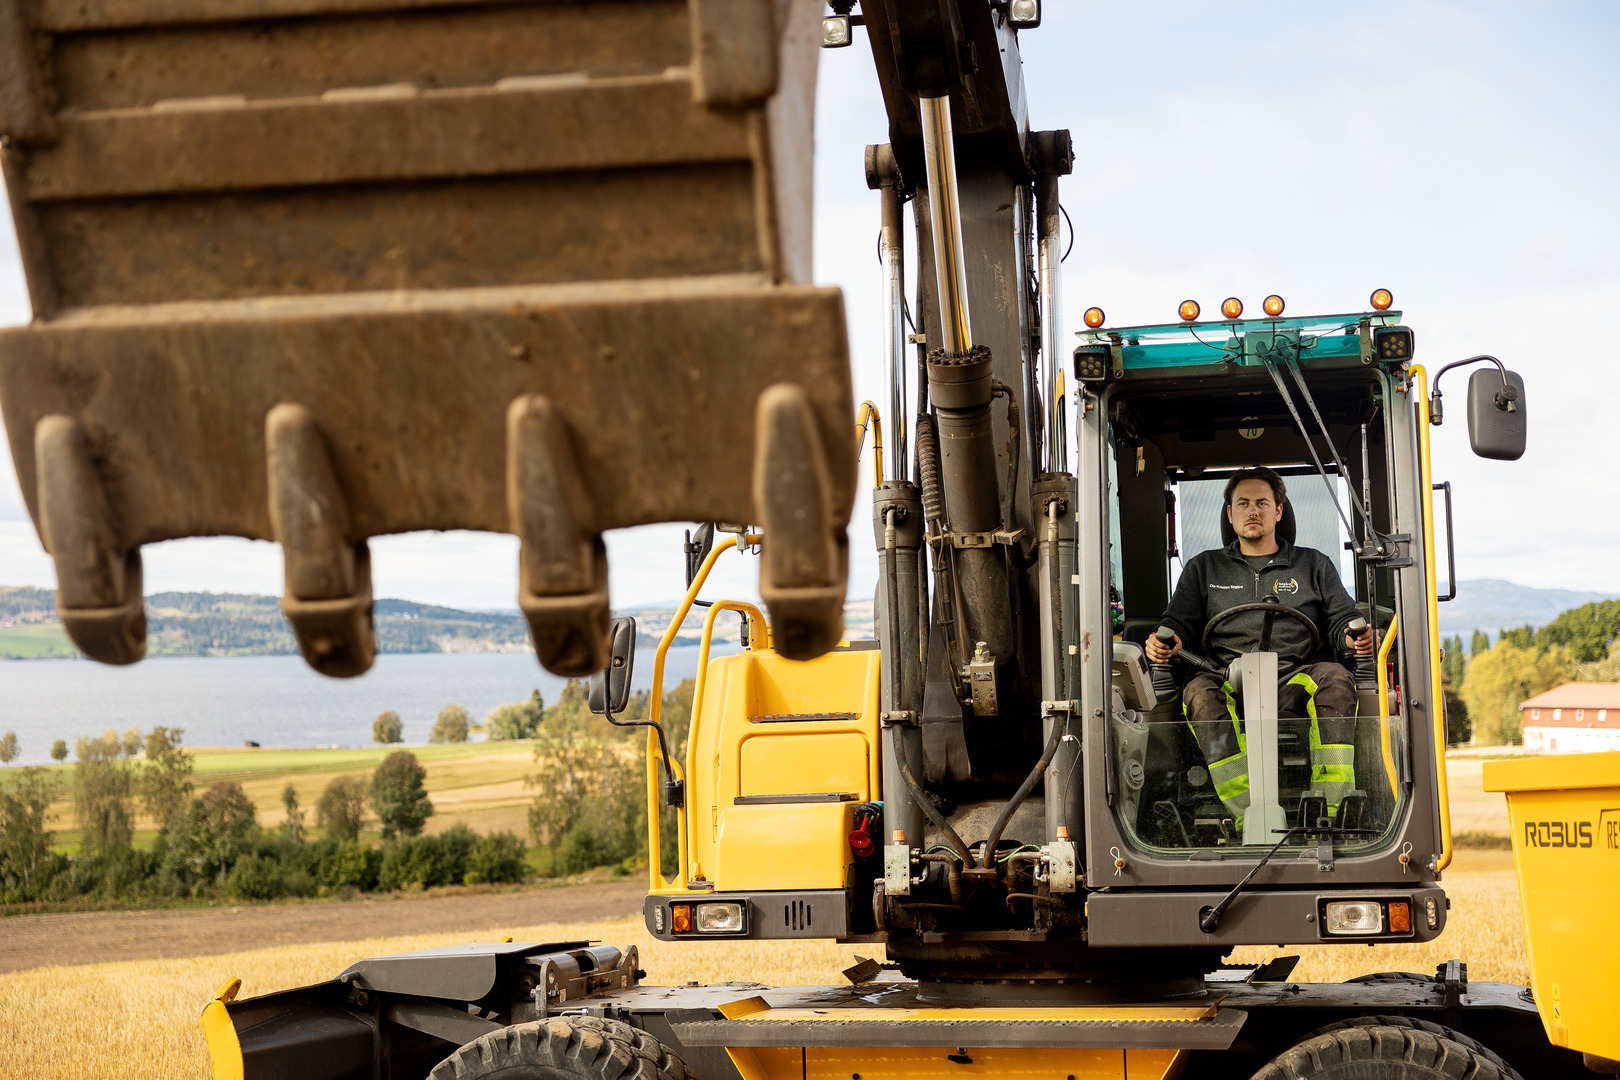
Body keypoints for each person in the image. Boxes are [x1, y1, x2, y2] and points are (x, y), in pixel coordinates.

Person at [1144, 468, 1374, 827]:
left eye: (1262, 503)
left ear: (1278, 511)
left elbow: (1341, 618)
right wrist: (1164, 642)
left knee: (1335, 678)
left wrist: (1350, 635)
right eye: (1244, 503)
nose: (1253, 511)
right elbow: (1177, 625)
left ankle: (1331, 810)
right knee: (1200, 693)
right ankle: (1246, 813)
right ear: (1230, 514)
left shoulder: (1313, 565)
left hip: (1294, 681)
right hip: (1227, 681)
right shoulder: (1204, 568)